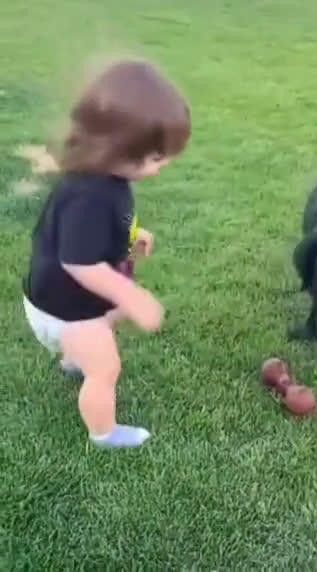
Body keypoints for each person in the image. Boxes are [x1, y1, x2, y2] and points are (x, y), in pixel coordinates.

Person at [22, 59, 191, 448]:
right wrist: (132, 296)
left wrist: (132, 234)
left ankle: (73, 359)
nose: (164, 166)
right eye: (157, 158)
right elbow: (79, 262)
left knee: (108, 319)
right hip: (67, 312)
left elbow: (93, 231)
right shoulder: (91, 195)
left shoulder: (101, 179)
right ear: (119, 149)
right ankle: (104, 433)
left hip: (57, 302)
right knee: (105, 369)